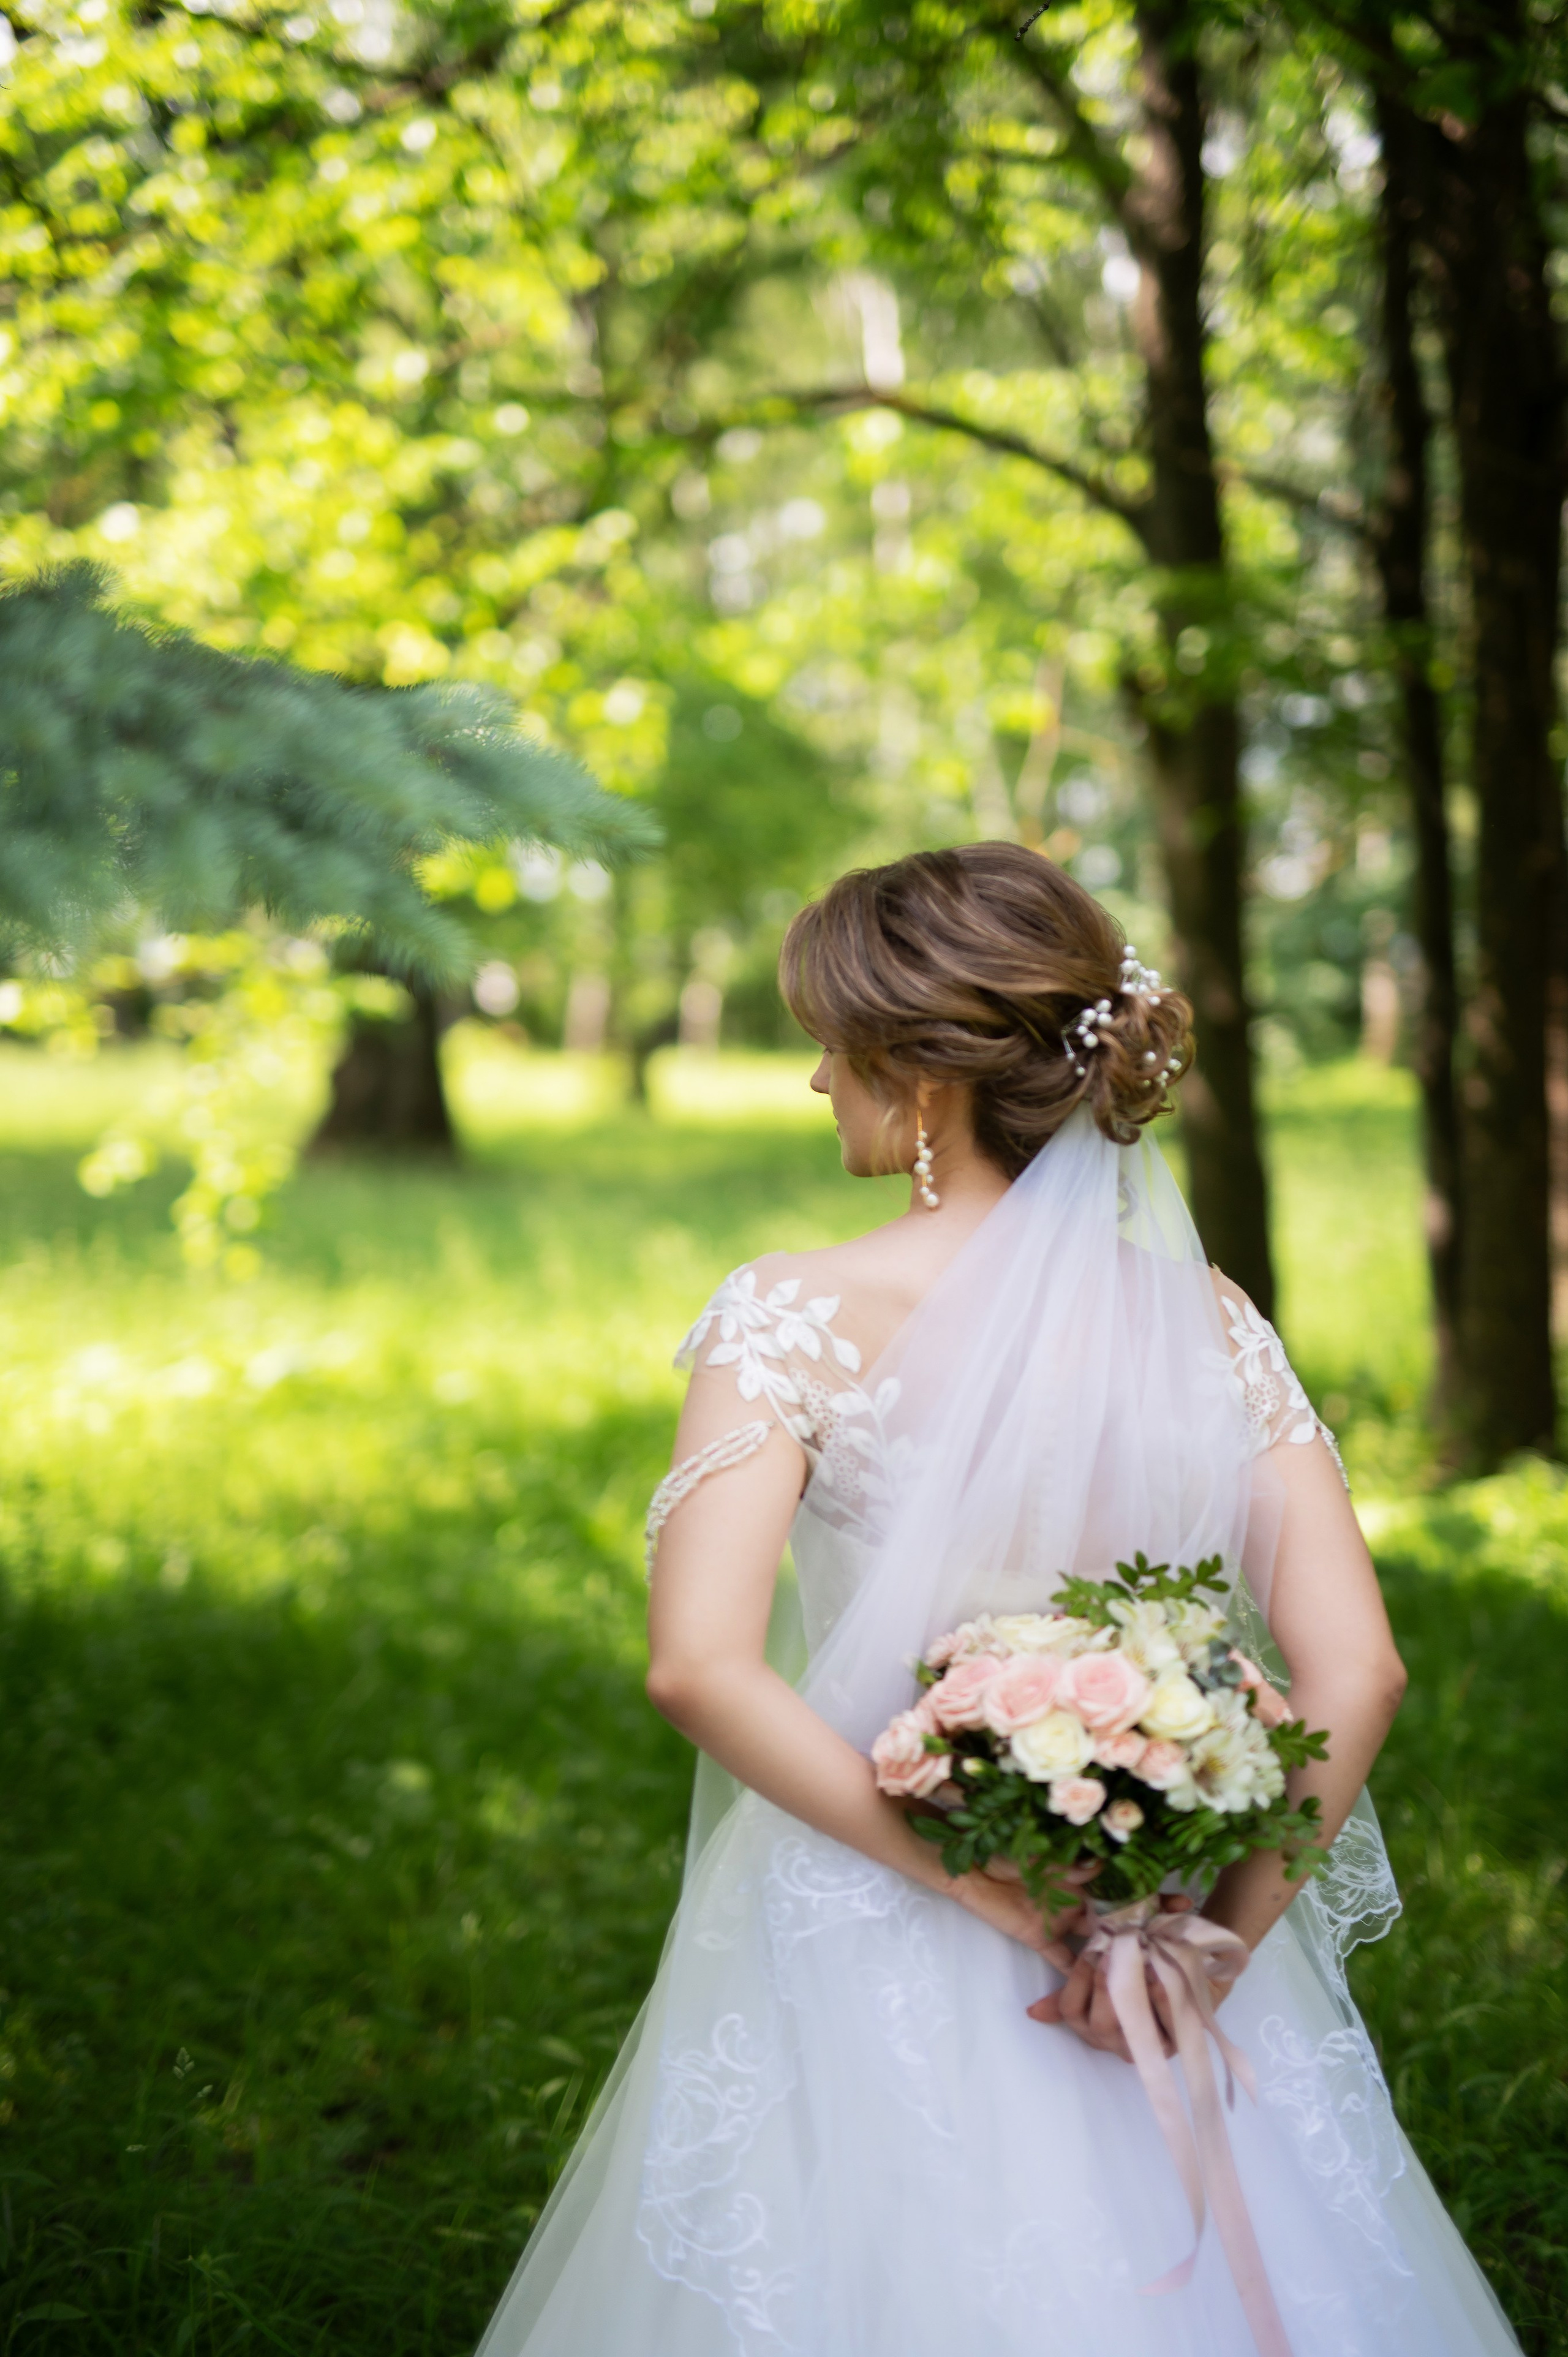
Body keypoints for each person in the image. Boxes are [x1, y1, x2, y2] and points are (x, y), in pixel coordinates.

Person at [478, 845, 1520, 2357]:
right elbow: (1359, 1672)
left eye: (831, 1043)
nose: (813, 1079)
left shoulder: (790, 1309)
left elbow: (698, 1666)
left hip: (868, 1906)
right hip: (1165, 1919)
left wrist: (997, 1900)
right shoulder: (1212, 1318)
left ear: (923, 1074)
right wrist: (1207, 1950)